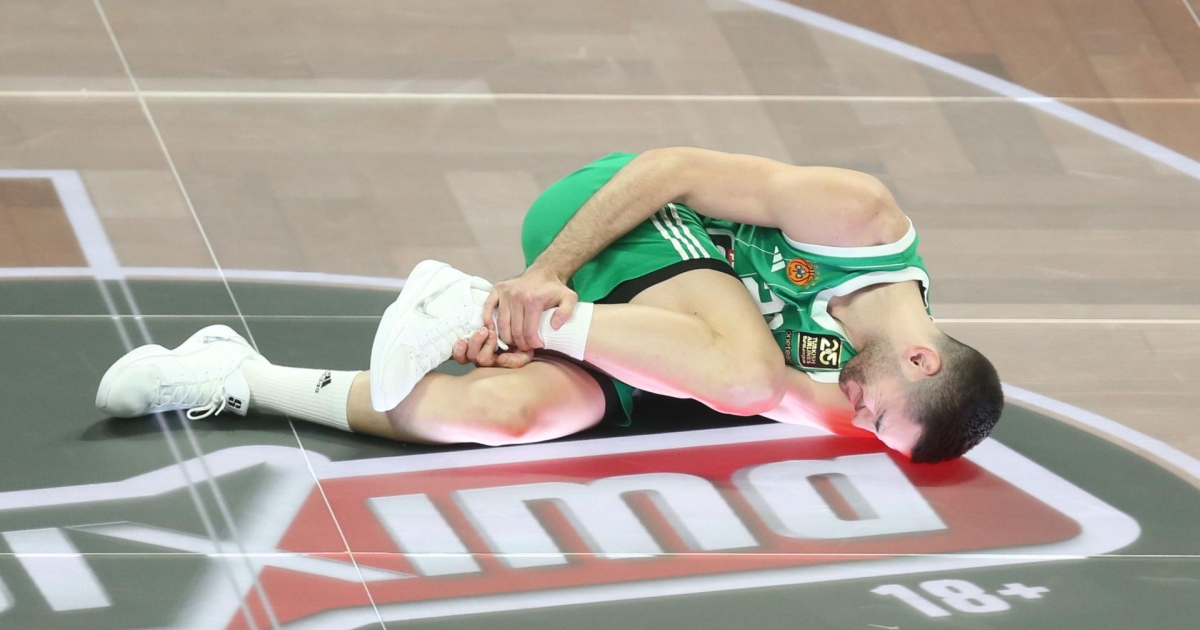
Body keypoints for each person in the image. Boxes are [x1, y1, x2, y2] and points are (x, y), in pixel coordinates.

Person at [95, 149, 1002, 463]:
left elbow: (715, 381)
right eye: (877, 417)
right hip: (623, 220)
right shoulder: (859, 220)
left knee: (501, 416)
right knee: (749, 375)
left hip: (676, 331)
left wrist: (549, 349)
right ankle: (472, 303)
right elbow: (670, 170)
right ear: (921, 359)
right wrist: (546, 280)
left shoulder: (860, 390)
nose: (856, 420)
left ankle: (235, 375)